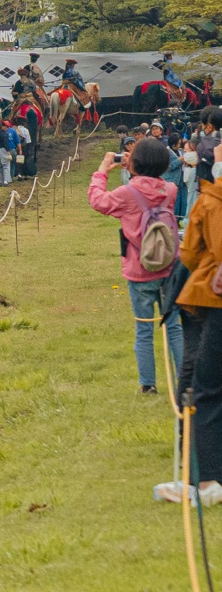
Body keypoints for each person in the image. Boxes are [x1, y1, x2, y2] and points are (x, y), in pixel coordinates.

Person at [90, 137, 185, 397]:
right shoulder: (171, 190)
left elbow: (98, 201)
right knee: (174, 326)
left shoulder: (126, 193)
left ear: (136, 162)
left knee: (143, 327)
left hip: (139, 268)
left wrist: (102, 170)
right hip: (169, 265)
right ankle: (183, 382)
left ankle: (148, 384)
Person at [173, 153, 222, 505]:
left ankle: (205, 481)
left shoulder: (211, 200)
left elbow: (190, 253)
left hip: (214, 301)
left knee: (205, 388)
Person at [0, 122, 17, 187]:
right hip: (4, 150)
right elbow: (6, 144)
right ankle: (6, 181)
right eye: (6, 127)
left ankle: (0, 182)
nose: (7, 128)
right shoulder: (5, 135)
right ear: (3, 126)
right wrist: (8, 152)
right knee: (6, 165)